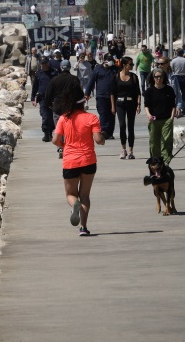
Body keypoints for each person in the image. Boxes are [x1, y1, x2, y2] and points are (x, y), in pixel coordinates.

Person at [53, 89, 105, 236]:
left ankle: (74, 204)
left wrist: (66, 147)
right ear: (83, 103)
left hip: (70, 161)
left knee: (71, 194)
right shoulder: (92, 118)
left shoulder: (64, 118)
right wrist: (103, 139)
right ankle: (83, 227)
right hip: (88, 160)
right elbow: (98, 139)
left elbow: (55, 140)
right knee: (85, 196)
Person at [45, 59, 85, 159]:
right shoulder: (74, 79)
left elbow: (48, 94)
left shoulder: (55, 79)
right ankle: (70, 146)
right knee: (70, 128)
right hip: (71, 107)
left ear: (60, 67)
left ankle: (61, 147)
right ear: (69, 67)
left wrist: (50, 105)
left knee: (59, 128)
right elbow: (80, 94)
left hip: (58, 107)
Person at [144, 67, 178, 163]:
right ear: (153, 77)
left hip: (166, 119)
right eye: (157, 77)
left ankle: (166, 162)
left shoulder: (169, 90)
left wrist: (171, 118)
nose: (159, 79)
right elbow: (146, 106)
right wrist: (149, 115)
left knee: (166, 142)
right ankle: (155, 162)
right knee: (154, 143)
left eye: (161, 77)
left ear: (164, 78)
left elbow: (173, 105)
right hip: (154, 120)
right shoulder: (149, 91)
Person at [111, 56, 142, 159]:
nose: (132, 66)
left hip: (131, 104)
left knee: (131, 127)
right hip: (119, 104)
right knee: (122, 125)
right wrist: (112, 106)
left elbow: (138, 92)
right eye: (130, 64)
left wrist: (138, 104)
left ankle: (131, 151)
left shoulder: (134, 77)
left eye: (132, 64)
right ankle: (123, 149)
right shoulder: (116, 77)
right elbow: (112, 93)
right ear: (124, 65)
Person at [84, 58, 117, 139]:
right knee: (103, 113)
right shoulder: (98, 69)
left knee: (111, 115)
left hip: (113, 96)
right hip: (101, 96)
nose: (111, 63)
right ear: (105, 61)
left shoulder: (114, 69)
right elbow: (91, 81)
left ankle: (110, 132)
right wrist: (87, 93)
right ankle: (104, 131)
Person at [31, 57, 57, 142]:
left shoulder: (54, 72)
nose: (44, 65)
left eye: (45, 63)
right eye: (42, 63)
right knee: (45, 116)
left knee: (53, 116)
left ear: (48, 63)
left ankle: (50, 132)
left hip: (53, 98)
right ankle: (46, 133)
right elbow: (35, 87)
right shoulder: (38, 73)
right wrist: (33, 98)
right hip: (42, 98)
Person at [170, 48, 185, 116]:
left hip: (176, 77)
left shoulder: (173, 61)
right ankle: (183, 111)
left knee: (175, 94)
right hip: (184, 78)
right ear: (183, 53)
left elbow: (171, 71)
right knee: (184, 95)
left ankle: (175, 110)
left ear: (176, 53)